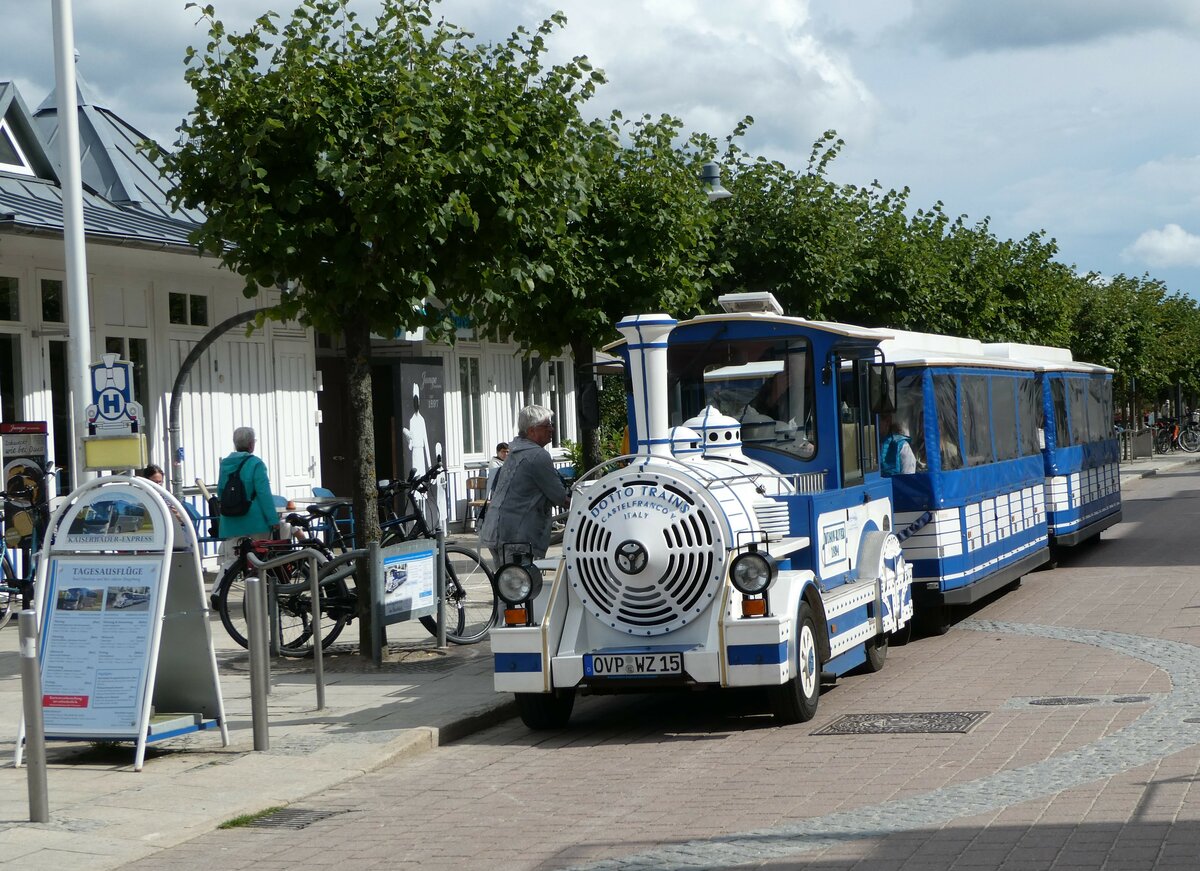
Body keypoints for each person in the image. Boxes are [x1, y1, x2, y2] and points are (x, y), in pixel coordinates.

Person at [479, 406, 570, 567]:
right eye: (546, 426)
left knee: (506, 586)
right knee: (521, 588)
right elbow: (559, 497)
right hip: (517, 537)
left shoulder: (515, 451)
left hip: (496, 530)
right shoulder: (537, 455)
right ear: (532, 431)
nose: (552, 429)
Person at [216, 426, 279, 568]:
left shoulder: (225, 464)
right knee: (261, 561)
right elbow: (264, 494)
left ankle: (219, 589)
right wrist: (273, 519)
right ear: (251, 444)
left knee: (232, 563)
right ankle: (258, 588)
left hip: (230, 521)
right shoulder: (256, 464)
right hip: (255, 521)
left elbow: (221, 491)